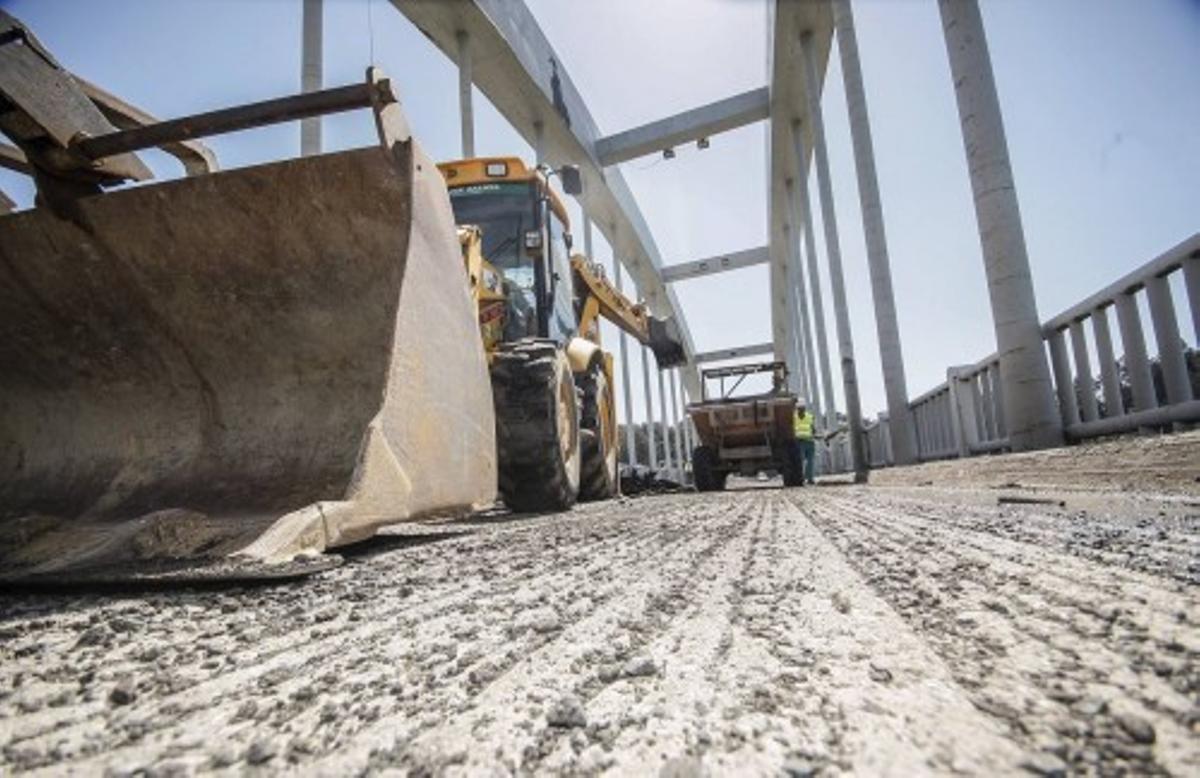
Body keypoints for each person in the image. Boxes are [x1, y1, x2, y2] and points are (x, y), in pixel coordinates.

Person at [793, 402, 816, 485]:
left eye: (802, 408)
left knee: (810, 461)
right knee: (801, 461)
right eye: (799, 409)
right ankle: (801, 478)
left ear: (804, 409)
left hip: (809, 441)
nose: (801, 410)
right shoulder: (793, 418)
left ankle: (810, 478)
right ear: (796, 409)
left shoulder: (809, 417)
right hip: (799, 442)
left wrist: (814, 434)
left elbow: (813, 429)